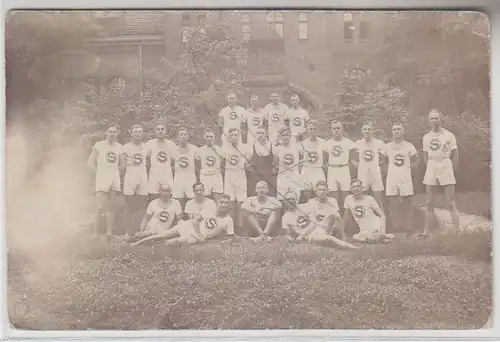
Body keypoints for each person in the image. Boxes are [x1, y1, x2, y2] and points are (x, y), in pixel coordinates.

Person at [131, 194, 235, 246]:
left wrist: (224, 243)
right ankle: (137, 243)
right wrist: (199, 234)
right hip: (191, 227)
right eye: (222, 202)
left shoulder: (228, 220)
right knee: (162, 235)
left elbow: (231, 237)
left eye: (226, 203)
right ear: (218, 203)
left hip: (196, 236)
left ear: (230, 205)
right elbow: (195, 221)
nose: (223, 205)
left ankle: (154, 245)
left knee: (173, 241)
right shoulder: (209, 210)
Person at [420, 109, 460, 237]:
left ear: (440, 119)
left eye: (436, 118)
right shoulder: (426, 137)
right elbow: (425, 157)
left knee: (450, 202)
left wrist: (450, 171)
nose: (433, 120)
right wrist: (432, 167)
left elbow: (455, 156)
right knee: (429, 201)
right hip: (432, 165)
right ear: (428, 120)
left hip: (445, 164)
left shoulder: (449, 135)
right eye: (431, 118)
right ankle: (426, 231)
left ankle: (457, 232)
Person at [282, 191, 358, 249]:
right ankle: (353, 248)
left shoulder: (304, 206)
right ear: (285, 201)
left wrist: (301, 235)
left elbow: (314, 222)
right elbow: (289, 234)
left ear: (296, 199)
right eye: (288, 199)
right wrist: (291, 239)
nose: (290, 201)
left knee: (333, 214)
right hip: (311, 236)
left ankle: (342, 235)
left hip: (319, 227)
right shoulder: (285, 217)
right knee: (330, 239)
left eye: (292, 199)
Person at [381, 122, 419, 236]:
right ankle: (396, 228)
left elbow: (416, 161)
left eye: (399, 129)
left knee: (407, 203)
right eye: (394, 129)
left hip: (405, 177)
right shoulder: (386, 147)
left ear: (403, 132)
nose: (396, 131)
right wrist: (388, 170)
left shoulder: (409, 146)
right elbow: (382, 162)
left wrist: (409, 169)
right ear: (392, 132)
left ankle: (408, 228)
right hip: (392, 178)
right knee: (393, 203)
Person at [87, 125, 123, 239]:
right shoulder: (99, 145)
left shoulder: (119, 147)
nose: (112, 134)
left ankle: (109, 233)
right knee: (100, 205)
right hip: (102, 176)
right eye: (110, 131)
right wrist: (99, 173)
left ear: (117, 134)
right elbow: (90, 162)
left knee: (111, 206)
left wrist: (118, 173)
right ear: (106, 133)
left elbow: (122, 164)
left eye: (114, 132)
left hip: (114, 176)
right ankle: (96, 233)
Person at [343, 179, 395, 244]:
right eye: (354, 187)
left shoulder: (369, 198)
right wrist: (342, 231)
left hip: (375, 225)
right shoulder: (348, 199)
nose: (356, 188)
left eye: (358, 186)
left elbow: (382, 215)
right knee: (355, 237)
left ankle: (382, 236)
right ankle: (383, 238)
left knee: (364, 238)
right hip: (363, 229)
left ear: (362, 188)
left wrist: (383, 230)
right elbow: (346, 216)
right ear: (350, 189)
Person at [122, 124, 150, 240]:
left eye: (140, 131)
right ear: (131, 133)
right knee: (130, 205)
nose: (138, 134)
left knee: (141, 204)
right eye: (135, 132)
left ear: (142, 133)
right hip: (130, 174)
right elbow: (123, 166)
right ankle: (128, 232)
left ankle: (139, 231)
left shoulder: (146, 147)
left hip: (142, 174)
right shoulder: (125, 147)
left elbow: (148, 164)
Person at [222, 128, 252, 234]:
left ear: (239, 136)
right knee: (230, 202)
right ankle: (230, 228)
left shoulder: (244, 147)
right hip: (229, 176)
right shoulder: (224, 148)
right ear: (228, 137)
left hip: (240, 176)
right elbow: (222, 161)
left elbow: (249, 162)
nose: (234, 137)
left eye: (236, 134)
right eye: (232, 135)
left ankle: (240, 227)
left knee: (240, 203)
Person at [352, 121, 386, 211]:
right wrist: (360, 167)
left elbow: (384, 158)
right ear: (361, 131)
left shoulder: (379, 143)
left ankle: (381, 223)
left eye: (369, 129)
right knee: (363, 201)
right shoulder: (357, 143)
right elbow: (352, 159)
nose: (367, 131)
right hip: (363, 173)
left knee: (378, 202)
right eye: (365, 129)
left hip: (375, 173)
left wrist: (379, 166)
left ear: (372, 131)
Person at [326, 119, 355, 209]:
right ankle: (335, 220)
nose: (336, 130)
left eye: (338, 128)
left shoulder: (349, 142)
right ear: (331, 130)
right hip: (332, 170)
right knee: (333, 198)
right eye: (334, 128)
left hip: (344, 169)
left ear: (342, 129)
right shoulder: (327, 143)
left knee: (346, 197)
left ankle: (346, 219)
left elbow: (353, 159)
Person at [145, 123, 176, 202]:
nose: (160, 131)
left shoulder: (171, 144)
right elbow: (144, 158)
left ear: (166, 132)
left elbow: (176, 159)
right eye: (158, 129)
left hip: (167, 175)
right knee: (153, 198)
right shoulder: (150, 143)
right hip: (154, 175)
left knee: (168, 199)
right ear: (155, 131)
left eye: (162, 129)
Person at [300, 119, 329, 201]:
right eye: (310, 129)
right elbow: (299, 158)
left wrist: (326, 165)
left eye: (314, 129)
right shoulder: (303, 143)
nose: (312, 131)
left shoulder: (323, 142)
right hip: (307, 169)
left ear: (317, 130)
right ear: (307, 130)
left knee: (320, 193)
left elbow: (329, 156)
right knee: (306, 194)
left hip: (318, 169)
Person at [171, 127, 199, 211]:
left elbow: (198, 164)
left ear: (188, 136)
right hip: (178, 179)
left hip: (190, 178)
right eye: (181, 134)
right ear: (177, 137)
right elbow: (170, 164)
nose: (183, 136)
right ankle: (180, 220)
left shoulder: (194, 149)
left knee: (192, 200)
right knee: (178, 201)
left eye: (185, 134)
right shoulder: (173, 149)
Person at [274, 126, 304, 202]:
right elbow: (275, 163)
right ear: (280, 137)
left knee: (295, 198)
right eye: (283, 135)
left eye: (287, 135)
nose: (285, 137)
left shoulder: (297, 147)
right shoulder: (277, 149)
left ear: (290, 135)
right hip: (282, 176)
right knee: (282, 199)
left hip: (294, 175)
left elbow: (302, 160)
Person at [247, 126, 277, 197]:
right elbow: (247, 164)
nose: (260, 135)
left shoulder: (273, 148)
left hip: (269, 180)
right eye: (258, 133)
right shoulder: (251, 148)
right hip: (255, 179)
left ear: (266, 134)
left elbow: (276, 164)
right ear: (255, 134)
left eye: (262, 133)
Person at [196, 128, 224, 203]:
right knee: (204, 198)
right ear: (204, 137)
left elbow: (224, 162)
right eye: (207, 136)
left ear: (214, 137)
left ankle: (218, 214)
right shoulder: (200, 150)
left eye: (211, 137)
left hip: (216, 175)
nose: (209, 138)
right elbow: (197, 165)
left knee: (218, 198)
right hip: (205, 175)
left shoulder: (219, 150)